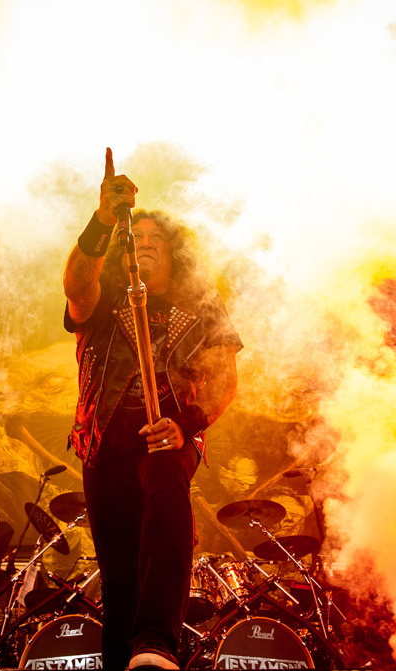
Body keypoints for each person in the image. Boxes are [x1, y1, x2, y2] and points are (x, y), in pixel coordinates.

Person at [63, 148, 242, 669]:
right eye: (133, 240)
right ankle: (128, 658)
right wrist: (101, 221)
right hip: (101, 440)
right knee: (117, 566)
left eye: (154, 240)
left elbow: (225, 378)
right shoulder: (102, 299)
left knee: (165, 492)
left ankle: (157, 643)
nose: (142, 247)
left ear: (173, 251)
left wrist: (185, 426)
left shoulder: (203, 305)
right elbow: (75, 284)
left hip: (167, 435)